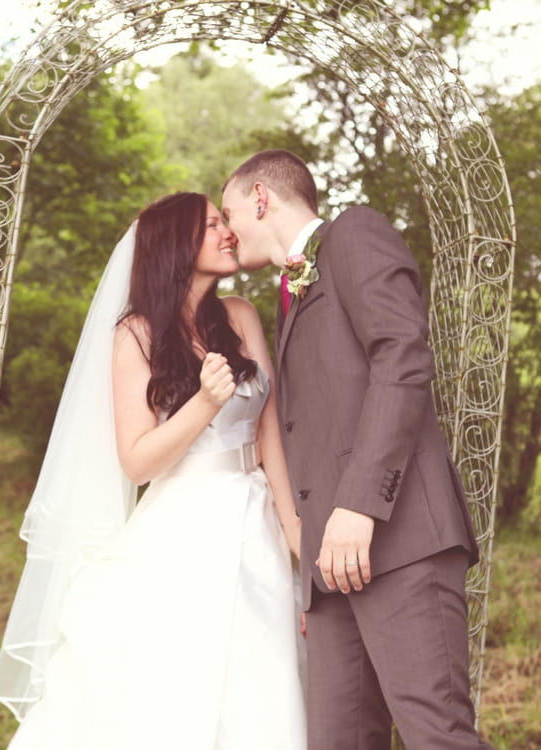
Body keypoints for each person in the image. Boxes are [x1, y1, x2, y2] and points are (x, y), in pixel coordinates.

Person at [0, 192, 307, 750]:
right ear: (175, 245)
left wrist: (293, 526)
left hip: (255, 519)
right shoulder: (134, 334)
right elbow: (136, 462)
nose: (227, 232)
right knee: (172, 685)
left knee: (261, 675)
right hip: (180, 526)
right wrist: (204, 403)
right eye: (212, 225)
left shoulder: (240, 315)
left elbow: (267, 429)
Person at [222, 150, 493, 750]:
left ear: (261, 198)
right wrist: (308, 580)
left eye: (229, 210)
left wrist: (360, 506)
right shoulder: (287, 293)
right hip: (331, 568)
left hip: (400, 542)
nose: (226, 227)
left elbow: (403, 358)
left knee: (437, 735)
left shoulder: (355, 234)